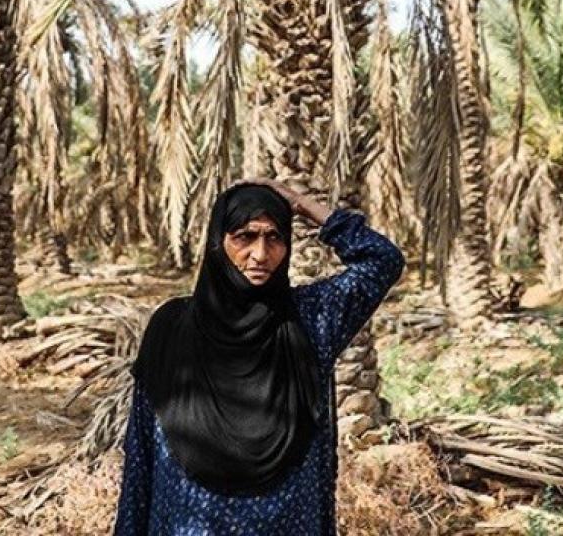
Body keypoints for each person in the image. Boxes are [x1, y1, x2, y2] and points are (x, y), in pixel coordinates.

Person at [112, 177, 406, 536]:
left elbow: (383, 261)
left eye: (274, 237)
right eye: (245, 237)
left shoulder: (310, 319)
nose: (261, 254)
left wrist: (302, 204)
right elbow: (141, 453)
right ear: (218, 242)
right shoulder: (172, 327)